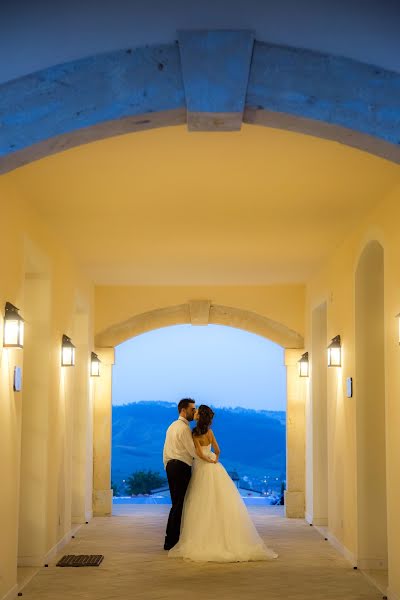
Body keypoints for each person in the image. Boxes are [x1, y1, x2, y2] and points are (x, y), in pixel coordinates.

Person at [168, 404, 278, 562]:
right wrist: (214, 459)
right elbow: (218, 450)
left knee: (200, 501)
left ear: (199, 417)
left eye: (197, 412)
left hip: (202, 466)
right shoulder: (210, 432)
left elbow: (198, 452)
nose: (195, 413)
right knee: (220, 499)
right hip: (214, 466)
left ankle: (204, 536)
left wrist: (205, 459)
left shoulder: (194, 433)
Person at [163, 398, 215, 550]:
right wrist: (208, 459)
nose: (195, 412)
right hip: (180, 467)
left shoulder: (172, 426)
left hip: (170, 466)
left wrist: (166, 465)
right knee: (179, 505)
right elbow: (193, 451)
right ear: (183, 410)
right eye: (193, 409)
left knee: (176, 504)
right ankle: (171, 541)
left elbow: (165, 449)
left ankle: (170, 539)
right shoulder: (184, 429)